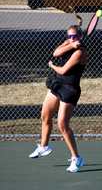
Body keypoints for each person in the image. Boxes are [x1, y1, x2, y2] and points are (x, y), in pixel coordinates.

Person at [29, 25, 88, 173]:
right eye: (69, 36)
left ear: (80, 36)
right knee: (45, 116)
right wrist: (70, 44)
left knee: (62, 125)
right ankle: (44, 146)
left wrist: (51, 66)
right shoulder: (69, 43)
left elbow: (63, 70)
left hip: (70, 89)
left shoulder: (81, 52)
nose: (71, 38)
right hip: (57, 84)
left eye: (74, 36)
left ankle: (77, 158)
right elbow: (56, 53)